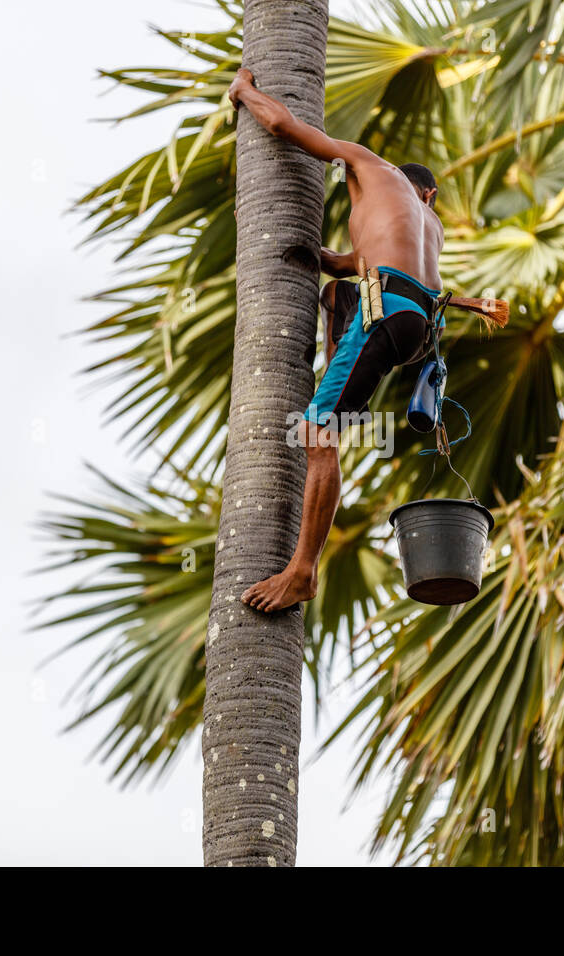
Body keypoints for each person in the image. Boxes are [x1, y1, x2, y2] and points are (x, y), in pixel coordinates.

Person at [228, 67, 445, 612]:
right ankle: (334, 382)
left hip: (385, 310)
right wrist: (321, 259)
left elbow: (280, 124)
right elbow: (348, 263)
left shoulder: (369, 163)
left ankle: (303, 571)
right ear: (430, 194)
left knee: (316, 431)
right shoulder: (429, 223)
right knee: (334, 298)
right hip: (416, 326)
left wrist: (246, 90)